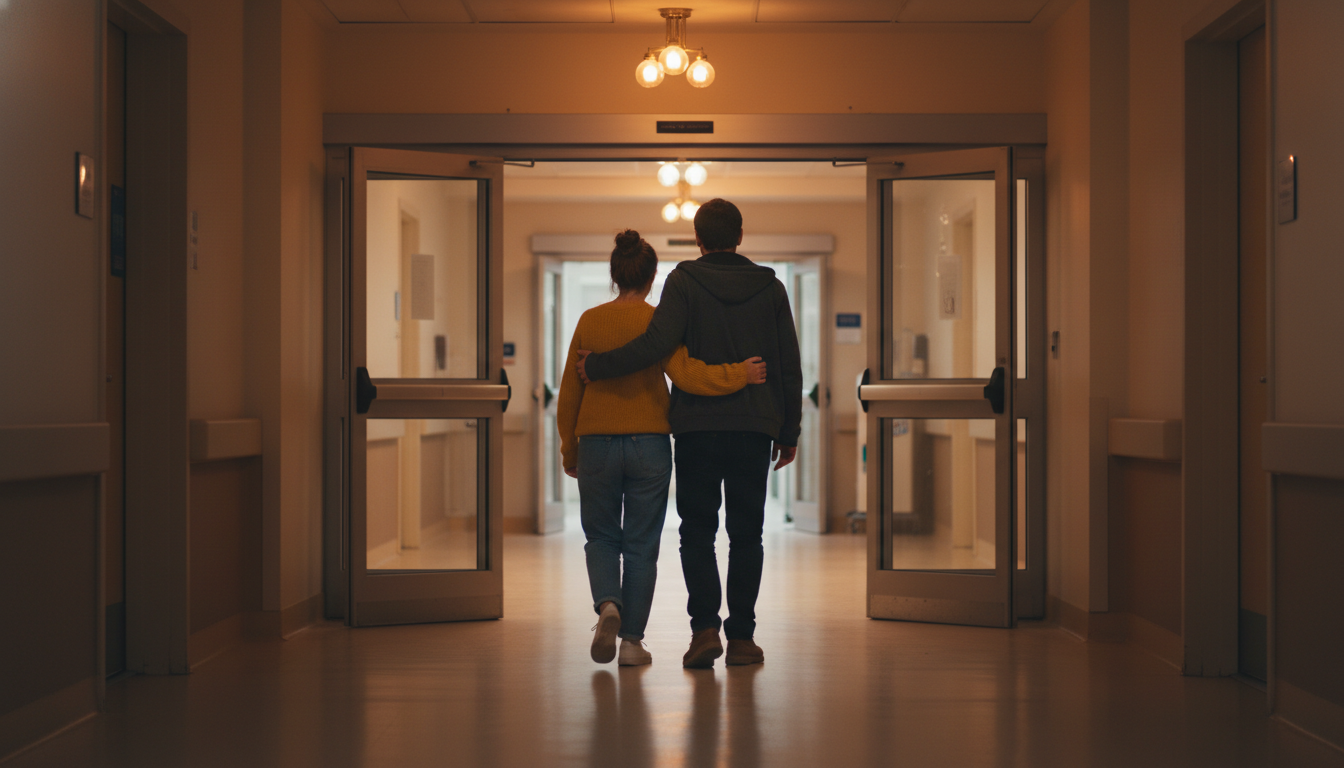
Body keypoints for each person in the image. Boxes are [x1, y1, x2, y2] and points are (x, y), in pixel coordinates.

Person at [577, 199, 803, 669]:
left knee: (696, 533)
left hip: (698, 428)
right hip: (753, 428)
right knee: (748, 534)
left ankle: (704, 631)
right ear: (740, 236)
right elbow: (787, 363)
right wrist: (789, 430)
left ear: (698, 240)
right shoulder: (771, 288)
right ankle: (742, 638)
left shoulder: (683, 282)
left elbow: (656, 347)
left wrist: (597, 366)